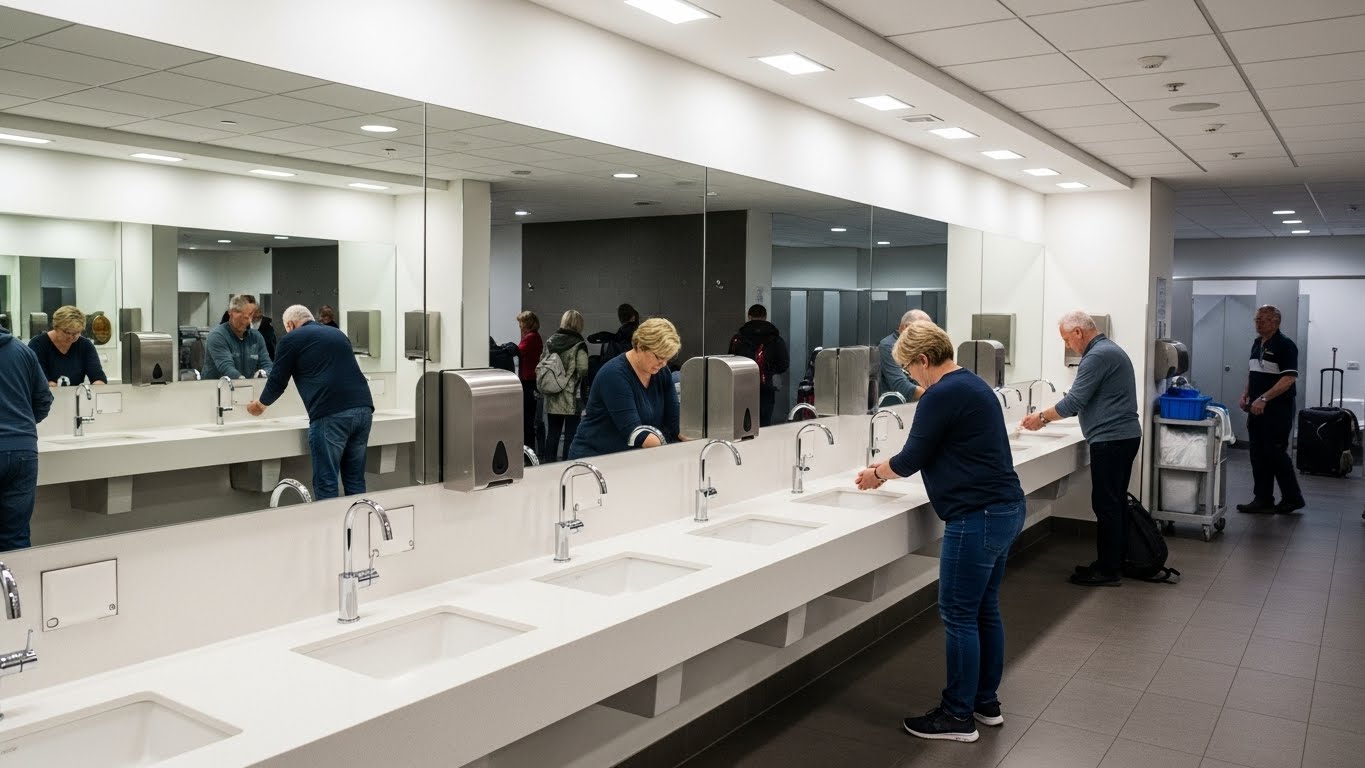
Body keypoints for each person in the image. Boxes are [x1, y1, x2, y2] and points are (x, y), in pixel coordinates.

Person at [854, 321, 1025, 743]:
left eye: (910, 369)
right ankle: (985, 703)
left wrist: (877, 473)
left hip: (976, 515)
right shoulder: (973, 385)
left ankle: (956, 716)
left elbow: (912, 457)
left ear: (924, 360)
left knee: (959, 615)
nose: (911, 377)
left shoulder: (941, 394)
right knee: (985, 609)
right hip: (1005, 507)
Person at [1021, 310, 1141, 587]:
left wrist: (1040, 418)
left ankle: (1108, 570)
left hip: (1111, 440)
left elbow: (1074, 402)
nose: (1067, 346)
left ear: (1079, 332)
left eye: (1066, 339)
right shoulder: (1109, 350)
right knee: (1114, 502)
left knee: (1107, 504)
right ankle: (1115, 561)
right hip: (1122, 437)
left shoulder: (1097, 356)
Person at [246, 305, 374, 500]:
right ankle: (357, 528)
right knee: (355, 479)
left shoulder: (291, 340)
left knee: (326, 481)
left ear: (290, 324)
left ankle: (328, 528)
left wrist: (260, 405)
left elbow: (278, 381)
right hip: (363, 408)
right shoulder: (337, 334)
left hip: (330, 413)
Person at [568, 317, 682, 459]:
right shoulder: (613, 375)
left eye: (667, 358)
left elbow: (674, 423)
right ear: (640, 346)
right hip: (595, 459)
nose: (663, 364)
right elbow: (634, 433)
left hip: (629, 459)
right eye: (659, 357)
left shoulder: (662, 372)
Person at [1236, 304, 1304, 515]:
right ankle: (1262, 498)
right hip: (1256, 408)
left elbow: (1288, 379)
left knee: (1275, 453)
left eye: (1262, 320)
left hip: (1277, 410)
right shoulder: (1257, 343)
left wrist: (1264, 398)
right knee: (1257, 453)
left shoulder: (1286, 345)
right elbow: (1253, 371)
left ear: (1275, 322)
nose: (1258, 324)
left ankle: (1292, 498)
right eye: (1256, 320)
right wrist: (1246, 393)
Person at [0, 325, 54, 550]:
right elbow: (43, 400)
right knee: (15, 535)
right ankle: (16, 585)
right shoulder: (22, 350)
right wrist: (21, 425)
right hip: (23, 452)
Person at [728, 304, 790, 426]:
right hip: (766, 386)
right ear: (765, 317)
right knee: (764, 423)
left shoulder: (738, 338)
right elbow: (784, 364)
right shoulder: (776, 339)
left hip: (742, 386)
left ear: (749, 316)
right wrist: (770, 371)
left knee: (743, 424)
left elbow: (730, 362)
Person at [541, 310, 590, 461]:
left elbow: (543, 362)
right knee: (570, 435)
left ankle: (548, 465)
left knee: (553, 434)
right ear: (579, 325)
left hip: (553, 394)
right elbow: (583, 368)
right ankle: (566, 466)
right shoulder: (579, 344)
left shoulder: (550, 341)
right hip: (571, 398)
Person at [28, 305, 107, 386]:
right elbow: (37, 380)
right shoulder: (38, 344)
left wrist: (97, 385)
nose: (70, 337)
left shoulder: (85, 345)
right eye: (67, 332)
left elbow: (98, 378)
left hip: (75, 396)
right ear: (56, 327)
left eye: (76, 333)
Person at [203, 294, 273, 380]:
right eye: (242, 318)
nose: (247, 321)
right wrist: (243, 382)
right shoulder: (217, 336)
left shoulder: (256, 337)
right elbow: (226, 367)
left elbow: (267, 364)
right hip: (215, 390)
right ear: (231, 313)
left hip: (246, 388)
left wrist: (264, 373)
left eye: (250, 317)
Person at [878, 309, 931, 403]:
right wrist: (935, 395)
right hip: (897, 405)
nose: (925, 336)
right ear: (906, 327)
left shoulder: (919, 345)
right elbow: (900, 385)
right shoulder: (889, 346)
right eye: (922, 330)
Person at [515, 311, 543, 450]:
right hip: (531, 381)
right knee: (529, 419)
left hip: (528, 382)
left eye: (521, 323)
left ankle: (527, 450)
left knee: (527, 420)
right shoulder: (535, 337)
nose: (519, 326)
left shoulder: (530, 338)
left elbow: (518, 351)